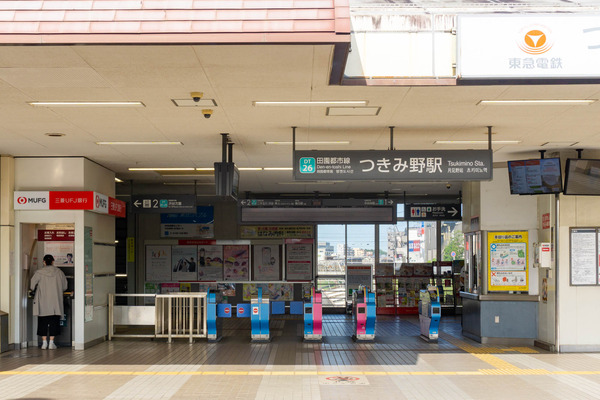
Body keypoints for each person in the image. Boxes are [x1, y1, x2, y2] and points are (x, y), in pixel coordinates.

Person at [30, 254, 68, 350]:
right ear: (53, 261)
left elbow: (32, 285)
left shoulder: (39, 272)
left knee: (42, 321)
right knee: (54, 321)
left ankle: (44, 343)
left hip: (42, 301)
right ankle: (51, 343)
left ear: (43, 262)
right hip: (55, 302)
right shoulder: (59, 272)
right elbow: (65, 287)